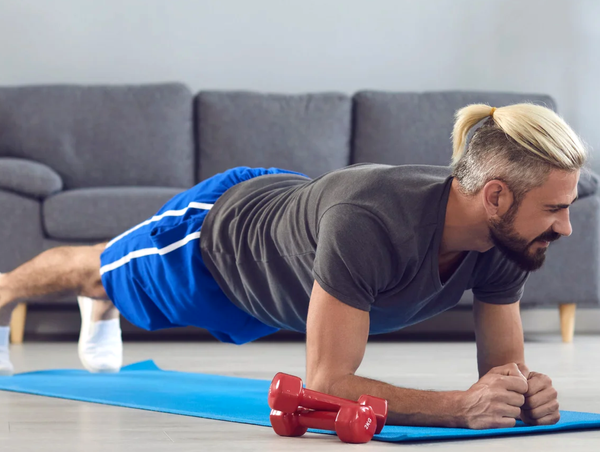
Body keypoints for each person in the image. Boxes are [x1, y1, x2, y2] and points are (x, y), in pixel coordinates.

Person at [0, 103, 585, 430]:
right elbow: (327, 384)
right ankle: (14, 290)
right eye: (555, 209)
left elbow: (501, 378)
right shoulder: (372, 220)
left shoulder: (511, 242)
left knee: (123, 291)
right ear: (498, 197)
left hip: (284, 281)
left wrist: (525, 396)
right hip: (221, 241)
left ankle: (106, 297)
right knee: (97, 272)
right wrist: (459, 407)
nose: (565, 227)